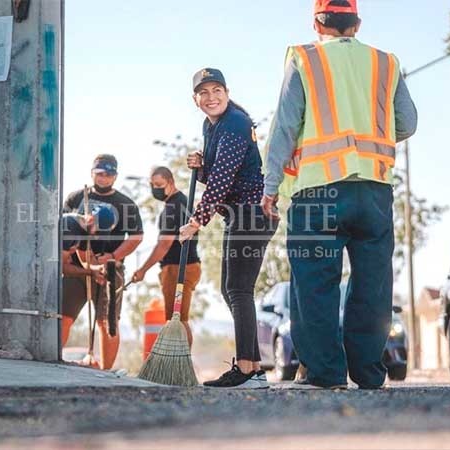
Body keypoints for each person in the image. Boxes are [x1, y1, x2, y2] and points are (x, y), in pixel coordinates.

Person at [261, 0, 418, 389]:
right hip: (374, 190)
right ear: (357, 23)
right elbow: (408, 122)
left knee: (315, 284)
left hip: (318, 190)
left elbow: (284, 126)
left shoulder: (305, 59)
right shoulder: (385, 63)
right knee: (373, 283)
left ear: (317, 23)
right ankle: (369, 372)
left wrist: (269, 186)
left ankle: (326, 374)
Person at [179, 68, 278, 389]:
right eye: (203, 93)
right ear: (195, 100)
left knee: (238, 289)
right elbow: (221, 173)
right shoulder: (213, 126)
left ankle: (248, 369)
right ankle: (253, 368)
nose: (211, 97)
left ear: (227, 91)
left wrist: (197, 220)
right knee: (232, 289)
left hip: (252, 212)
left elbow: (223, 178)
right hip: (240, 214)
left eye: (216, 90)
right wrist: (201, 165)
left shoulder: (235, 122)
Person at [61, 154, 144, 370]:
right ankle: (53, 361)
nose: (104, 178)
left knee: (107, 321)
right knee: (64, 315)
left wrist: (112, 258)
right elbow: (66, 234)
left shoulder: (126, 204)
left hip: (110, 269)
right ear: (92, 173)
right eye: (100, 173)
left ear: (115, 177)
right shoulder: (76, 199)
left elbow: (136, 237)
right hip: (75, 267)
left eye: (109, 174)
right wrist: (89, 266)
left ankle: (106, 371)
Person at [131, 167, 201, 347]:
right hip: (185, 267)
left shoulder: (173, 207)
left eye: (159, 185)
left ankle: (181, 362)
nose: (156, 189)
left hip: (178, 268)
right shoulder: (183, 202)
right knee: (177, 319)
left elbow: (164, 245)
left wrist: (142, 270)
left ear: (171, 182)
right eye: (152, 185)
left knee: (177, 320)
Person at [59, 208, 119, 346]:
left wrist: (97, 269)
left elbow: (85, 262)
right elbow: (61, 267)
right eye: (97, 232)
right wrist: (90, 273)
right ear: (91, 219)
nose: (97, 236)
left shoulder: (84, 232)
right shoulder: (70, 227)